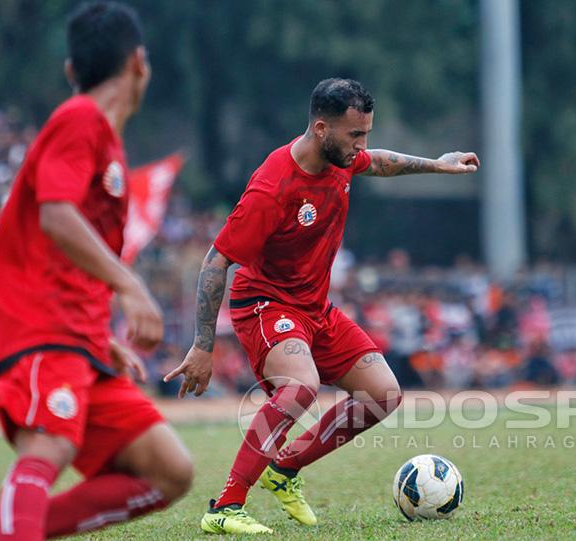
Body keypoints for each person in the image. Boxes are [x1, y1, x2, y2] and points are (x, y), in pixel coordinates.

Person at [163, 78, 479, 534]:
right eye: (355, 135)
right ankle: (225, 506)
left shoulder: (342, 158)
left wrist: (437, 165)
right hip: (265, 304)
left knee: (383, 393)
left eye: (366, 134)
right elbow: (216, 262)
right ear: (320, 129)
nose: (362, 146)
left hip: (314, 307)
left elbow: (380, 164)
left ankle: (285, 468)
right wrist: (203, 345)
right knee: (300, 386)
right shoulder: (273, 186)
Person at [0, 3, 192, 540]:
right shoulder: (80, 119)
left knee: (169, 471)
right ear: (140, 62)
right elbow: (55, 214)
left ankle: (8, 530)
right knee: (50, 445)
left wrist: (101, 335)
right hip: (43, 327)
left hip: (80, 338)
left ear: (71, 69)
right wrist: (130, 285)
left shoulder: (104, 141)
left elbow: (70, 245)